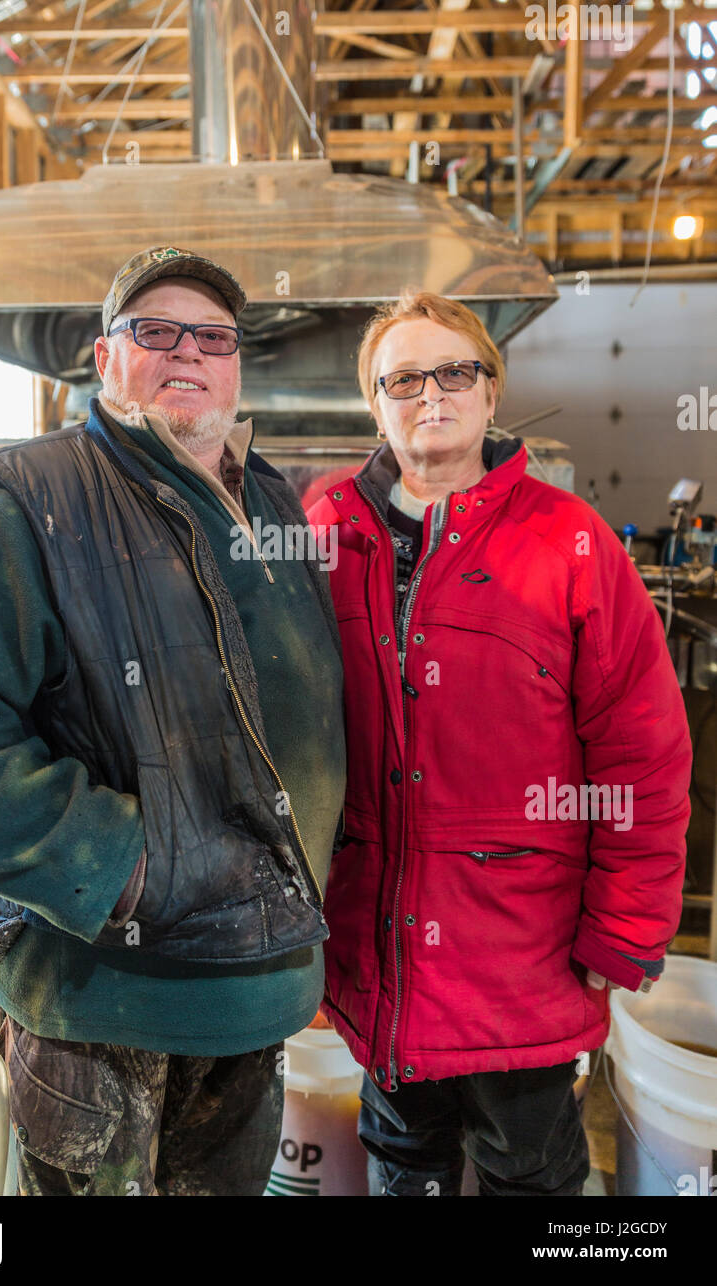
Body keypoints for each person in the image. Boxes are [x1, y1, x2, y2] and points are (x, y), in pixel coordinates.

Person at [0, 244, 346, 1197]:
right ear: (103, 354)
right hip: (104, 999)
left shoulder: (272, 501)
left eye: (212, 336)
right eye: (154, 330)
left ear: (237, 363)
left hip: (257, 994)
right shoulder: (25, 495)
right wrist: (117, 865)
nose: (187, 354)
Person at [307, 289, 692, 1197]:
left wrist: (626, 929)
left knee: (533, 1177)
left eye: (454, 371)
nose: (430, 394)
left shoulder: (570, 544)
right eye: (403, 378)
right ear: (376, 403)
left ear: (491, 393)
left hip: (521, 964)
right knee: (405, 1168)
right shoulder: (326, 535)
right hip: (382, 961)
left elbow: (642, 754)